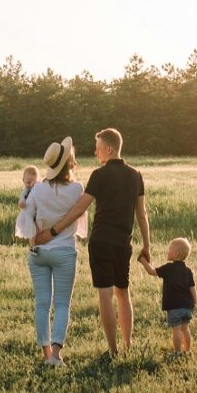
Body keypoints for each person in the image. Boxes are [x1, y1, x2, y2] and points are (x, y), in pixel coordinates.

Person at [35, 128, 150, 356]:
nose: (96, 153)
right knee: (123, 293)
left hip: (100, 243)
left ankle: (113, 350)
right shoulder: (136, 175)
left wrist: (54, 230)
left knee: (105, 294)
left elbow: (79, 208)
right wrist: (147, 245)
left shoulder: (99, 175)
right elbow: (142, 213)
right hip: (122, 243)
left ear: (109, 148)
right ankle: (128, 346)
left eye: (98, 149)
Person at [15, 137, 88, 366]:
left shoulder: (37, 189)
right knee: (63, 303)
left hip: (39, 252)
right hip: (65, 251)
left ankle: (46, 354)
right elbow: (79, 218)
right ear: (69, 163)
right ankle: (56, 355)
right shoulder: (77, 189)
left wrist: (32, 241)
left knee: (42, 304)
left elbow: (28, 217)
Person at [138, 238, 197, 356]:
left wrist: (143, 260)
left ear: (175, 254)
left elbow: (152, 271)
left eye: (169, 250)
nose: (167, 252)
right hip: (186, 307)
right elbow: (192, 288)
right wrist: (194, 303)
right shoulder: (188, 271)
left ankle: (177, 352)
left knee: (176, 329)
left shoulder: (168, 268)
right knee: (185, 329)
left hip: (175, 307)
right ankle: (188, 351)